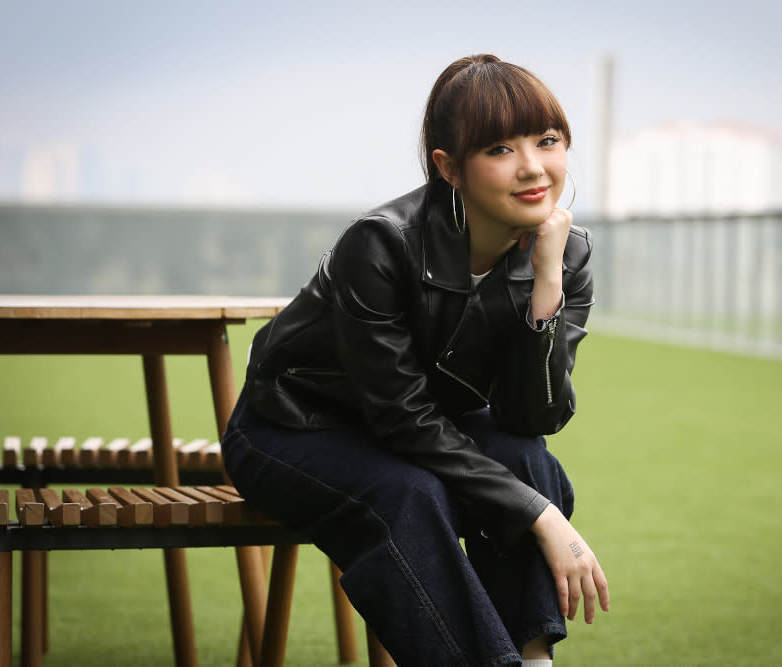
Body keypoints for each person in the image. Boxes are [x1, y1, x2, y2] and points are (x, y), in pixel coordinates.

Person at [221, 53, 609, 667]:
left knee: (525, 458)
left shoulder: (565, 253)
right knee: (407, 494)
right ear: (449, 168)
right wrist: (542, 518)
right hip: (292, 427)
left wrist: (544, 292)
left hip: (419, 431)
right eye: (501, 149)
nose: (534, 167)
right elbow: (403, 420)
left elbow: (531, 416)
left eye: (549, 140)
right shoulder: (380, 245)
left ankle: (534, 657)